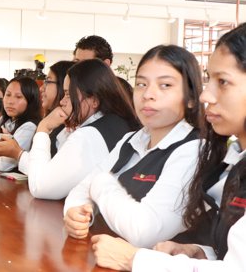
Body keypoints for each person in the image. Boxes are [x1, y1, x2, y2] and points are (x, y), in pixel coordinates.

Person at [89, 23, 246, 272]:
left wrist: (135, 260)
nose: (207, 96)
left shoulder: (194, 149)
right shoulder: (237, 163)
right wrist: (199, 253)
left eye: (223, 82)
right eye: (141, 84)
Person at [63, 45, 204, 249]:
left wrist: (101, 184)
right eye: (141, 84)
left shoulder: (194, 149)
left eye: (165, 85)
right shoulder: (132, 140)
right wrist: (76, 212)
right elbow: (80, 190)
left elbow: (143, 232)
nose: (148, 94)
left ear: (191, 98)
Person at [0, 59, 140, 199]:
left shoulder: (88, 135)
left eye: (68, 95)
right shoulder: (117, 122)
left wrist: (43, 128)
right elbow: (53, 172)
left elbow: (41, 187)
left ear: (93, 100)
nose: (62, 101)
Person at [73, 34, 134, 99]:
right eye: (77, 62)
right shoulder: (74, 85)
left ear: (105, 64)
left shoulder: (121, 90)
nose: (79, 68)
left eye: (87, 63)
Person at [41, 61, 75, 156]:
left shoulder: (70, 128)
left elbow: (42, 168)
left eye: (47, 81)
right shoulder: (53, 122)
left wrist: (42, 128)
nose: (41, 88)